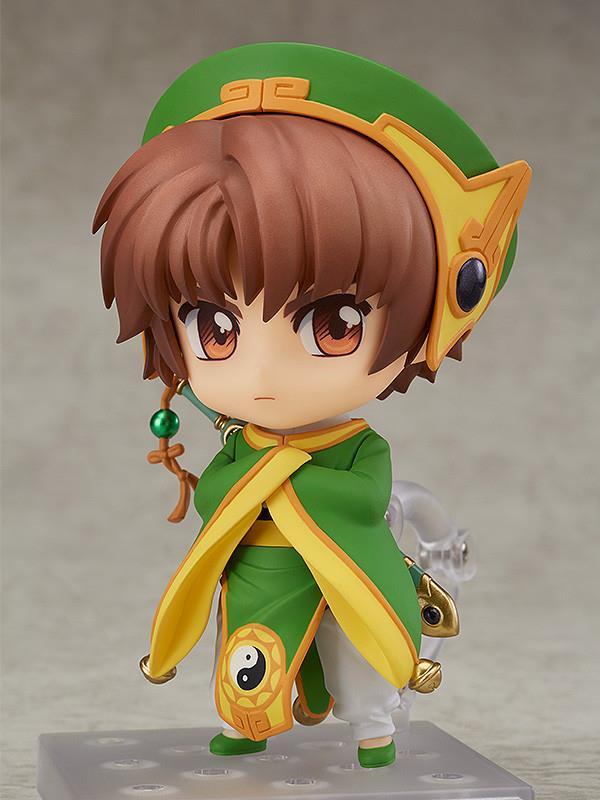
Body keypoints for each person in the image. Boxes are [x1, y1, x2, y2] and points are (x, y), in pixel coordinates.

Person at [93, 42, 530, 768]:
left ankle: (373, 730)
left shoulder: (357, 449)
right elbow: (217, 497)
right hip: (257, 572)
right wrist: (251, 483)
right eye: (216, 328)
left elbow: (365, 497)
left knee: (356, 651)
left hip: (345, 569)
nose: (263, 374)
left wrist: (281, 481)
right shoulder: (241, 444)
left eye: (333, 326)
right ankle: (247, 725)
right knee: (238, 651)